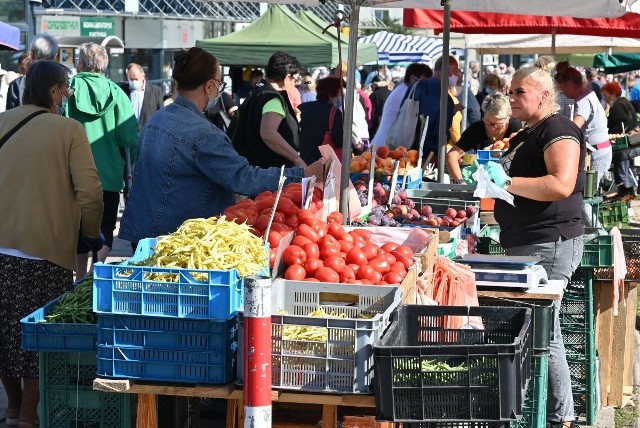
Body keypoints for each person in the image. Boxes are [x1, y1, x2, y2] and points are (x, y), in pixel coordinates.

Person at [118, 47, 325, 246]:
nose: (219, 91)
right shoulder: (205, 134)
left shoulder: (155, 121)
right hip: (180, 238)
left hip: (142, 233)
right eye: (219, 84)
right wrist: (301, 174)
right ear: (209, 86)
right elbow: (243, 177)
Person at [0, 60, 103, 428]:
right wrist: (91, 232)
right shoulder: (68, 130)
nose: (67, 98)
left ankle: (12, 410)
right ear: (56, 91)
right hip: (44, 250)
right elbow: (90, 191)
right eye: (67, 91)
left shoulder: (2, 122)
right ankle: (27, 417)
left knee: (5, 334)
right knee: (38, 340)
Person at [484, 63, 586, 428]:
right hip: (531, 240)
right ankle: (550, 411)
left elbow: (560, 184)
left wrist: (507, 183)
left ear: (544, 96)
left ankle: (561, 417)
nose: (511, 98)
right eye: (510, 91)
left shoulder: (558, 128)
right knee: (539, 328)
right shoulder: (533, 130)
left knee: (547, 329)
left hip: (550, 242)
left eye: (518, 92)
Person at [66, 42, 139, 278]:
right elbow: (128, 136)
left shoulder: (69, 89)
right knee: (106, 225)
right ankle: (95, 273)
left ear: (80, 64)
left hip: (74, 174)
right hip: (108, 174)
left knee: (77, 229)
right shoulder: (116, 92)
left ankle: (79, 276)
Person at [232, 51, 305, 169]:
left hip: (249, 166)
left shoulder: (258, 92)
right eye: (295, 79)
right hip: (267, 171)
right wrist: (297, 159)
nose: (295, 84)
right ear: (287, 78)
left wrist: (289, 119)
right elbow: (268, 133)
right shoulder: (272, 98)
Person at [555, 67, 612, 201]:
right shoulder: (588, 93)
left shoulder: (583, 100)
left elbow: (574, 127)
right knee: (585, 198)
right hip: (598, 151)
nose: (562, 93)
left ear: (569, 84)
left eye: (561, 88)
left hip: (597, 154)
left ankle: (595, 224)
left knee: (585, 200)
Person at [447, 92, 522, 184]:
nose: (491, 127)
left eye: (497, 124)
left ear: (508, 117)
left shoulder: (515, 128)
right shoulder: (477, 129)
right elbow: (451, 155)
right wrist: (461, 183)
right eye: (487, 122)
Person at [405, 55, 459, 161]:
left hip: (405, 150)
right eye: (456, 72)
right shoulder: (446, 99)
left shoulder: (415, 86)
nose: (457, 76)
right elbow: (441, 133)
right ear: (448, 72)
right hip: (429, 156)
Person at [370, 62, 432, 148]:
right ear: (413, 78)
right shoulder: (407, 94)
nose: (427, 86)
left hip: (381, 144)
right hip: (387, 147)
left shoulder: (400, 89)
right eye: (424, 82)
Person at [602, 81, 639, 198]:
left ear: (613, 94)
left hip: (626, 145)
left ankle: (625, 191)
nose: (605, 99)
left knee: (620, 160)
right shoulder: (624, 101)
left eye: (605, 95)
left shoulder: (618, 106)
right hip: (632, 143)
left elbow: (618, 126)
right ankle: (626, 191)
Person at [6, 33, 58, 110]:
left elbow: (10, 118)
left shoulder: (17, 85)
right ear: (55, 55)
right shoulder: (64, 84)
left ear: (32, 54)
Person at [299, 76, 344, 164]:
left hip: (303, 158)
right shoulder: (334, 112)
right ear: (332, 93)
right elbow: (339, 141)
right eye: (339, 92)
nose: (340, 95)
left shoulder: (303, 107)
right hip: (324, 161)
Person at [119, 62, 165, 131]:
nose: (133, 81)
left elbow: (161, 116)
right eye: (131, 79)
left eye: (136, 79)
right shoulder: (122, 91)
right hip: (129, 135)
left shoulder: (156, 91)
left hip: (148, 134)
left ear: (143, 76)